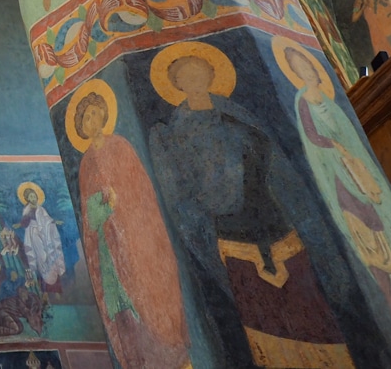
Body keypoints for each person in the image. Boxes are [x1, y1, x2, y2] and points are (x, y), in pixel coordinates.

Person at [148, 44, 354, 368]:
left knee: (313, 320)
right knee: (266, 327)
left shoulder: (239, 116)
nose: (195, 82)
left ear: (212, 76)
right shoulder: (173, 135)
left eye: (200, 74)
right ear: (177, 85)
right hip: (235, 240)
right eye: (186, 78)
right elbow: (183, 202)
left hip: (282, 229)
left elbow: (281, 173)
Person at [280, 37, 391, 360]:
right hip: (343, 188)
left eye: (307, 63)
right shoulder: (303, 104)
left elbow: (352, 140)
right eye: (298, 66)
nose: (305, 68)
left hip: (364, 186)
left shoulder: (333, 105)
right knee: (382, 275)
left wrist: (357, 165)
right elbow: (315, 141)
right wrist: (339, 151)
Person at [69, 79, 190, 369]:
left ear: (104, 115)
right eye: (86, 117)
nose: (92, 120)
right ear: (81, 127)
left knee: (147, 297)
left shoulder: (121, 146)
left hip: (135, 237)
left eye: (96, 113)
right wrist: (105, 206)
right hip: (107, 252)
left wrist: (121, 204)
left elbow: (141, 192)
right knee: (122, 310)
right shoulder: (85, 164)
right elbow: (89, 216)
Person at [16, 183, 66, 294]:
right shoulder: (27, 210)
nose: (33, 198)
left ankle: (55, 289)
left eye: (34, 196)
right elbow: (24, 222)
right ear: (27, 199)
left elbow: (47, 220)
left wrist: (54, 222)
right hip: (34, 236)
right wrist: (21, 223)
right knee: (41, 258)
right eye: (30, 197)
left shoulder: (41, 209)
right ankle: (43, 289)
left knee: (50, 257)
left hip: (45, 235)